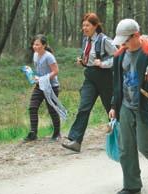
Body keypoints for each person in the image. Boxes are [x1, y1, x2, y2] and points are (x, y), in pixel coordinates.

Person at [109, 19, 148, 194]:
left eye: (126, 40)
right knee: (126, 148)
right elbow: (117, 83)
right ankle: (132, 185)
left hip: (144, 106)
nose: (123, 44)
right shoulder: (120, 55)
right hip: (125, 106)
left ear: (136, 35)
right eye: (121, 40)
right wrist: (114, 104)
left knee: (146, 146)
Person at [62, 13, 117, 152]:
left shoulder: (104, 40)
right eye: (83, 25)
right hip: (90, 78)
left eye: (87, 25)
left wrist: (104, 64)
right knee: (83, 107)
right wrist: (83, 62)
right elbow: (89, 58)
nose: (84, 28)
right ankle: (76, 141)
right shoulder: (86, 40)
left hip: (106, 78)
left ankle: (123, 138)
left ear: (95, 26)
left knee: (111, 110)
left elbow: (118, 57)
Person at [24, 34, 61, 142]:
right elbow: (39, 71)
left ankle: (57, 133)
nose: (35, 46)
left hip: (51, 86)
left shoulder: (49, 56)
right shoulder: (35, 55)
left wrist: (43, 79)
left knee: (52, 110)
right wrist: (31, 73)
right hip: (39, 86)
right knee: (32, 107)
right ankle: (33, 133)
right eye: (34, 44)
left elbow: (55, 71)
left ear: (44, 45)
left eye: (37, 44)